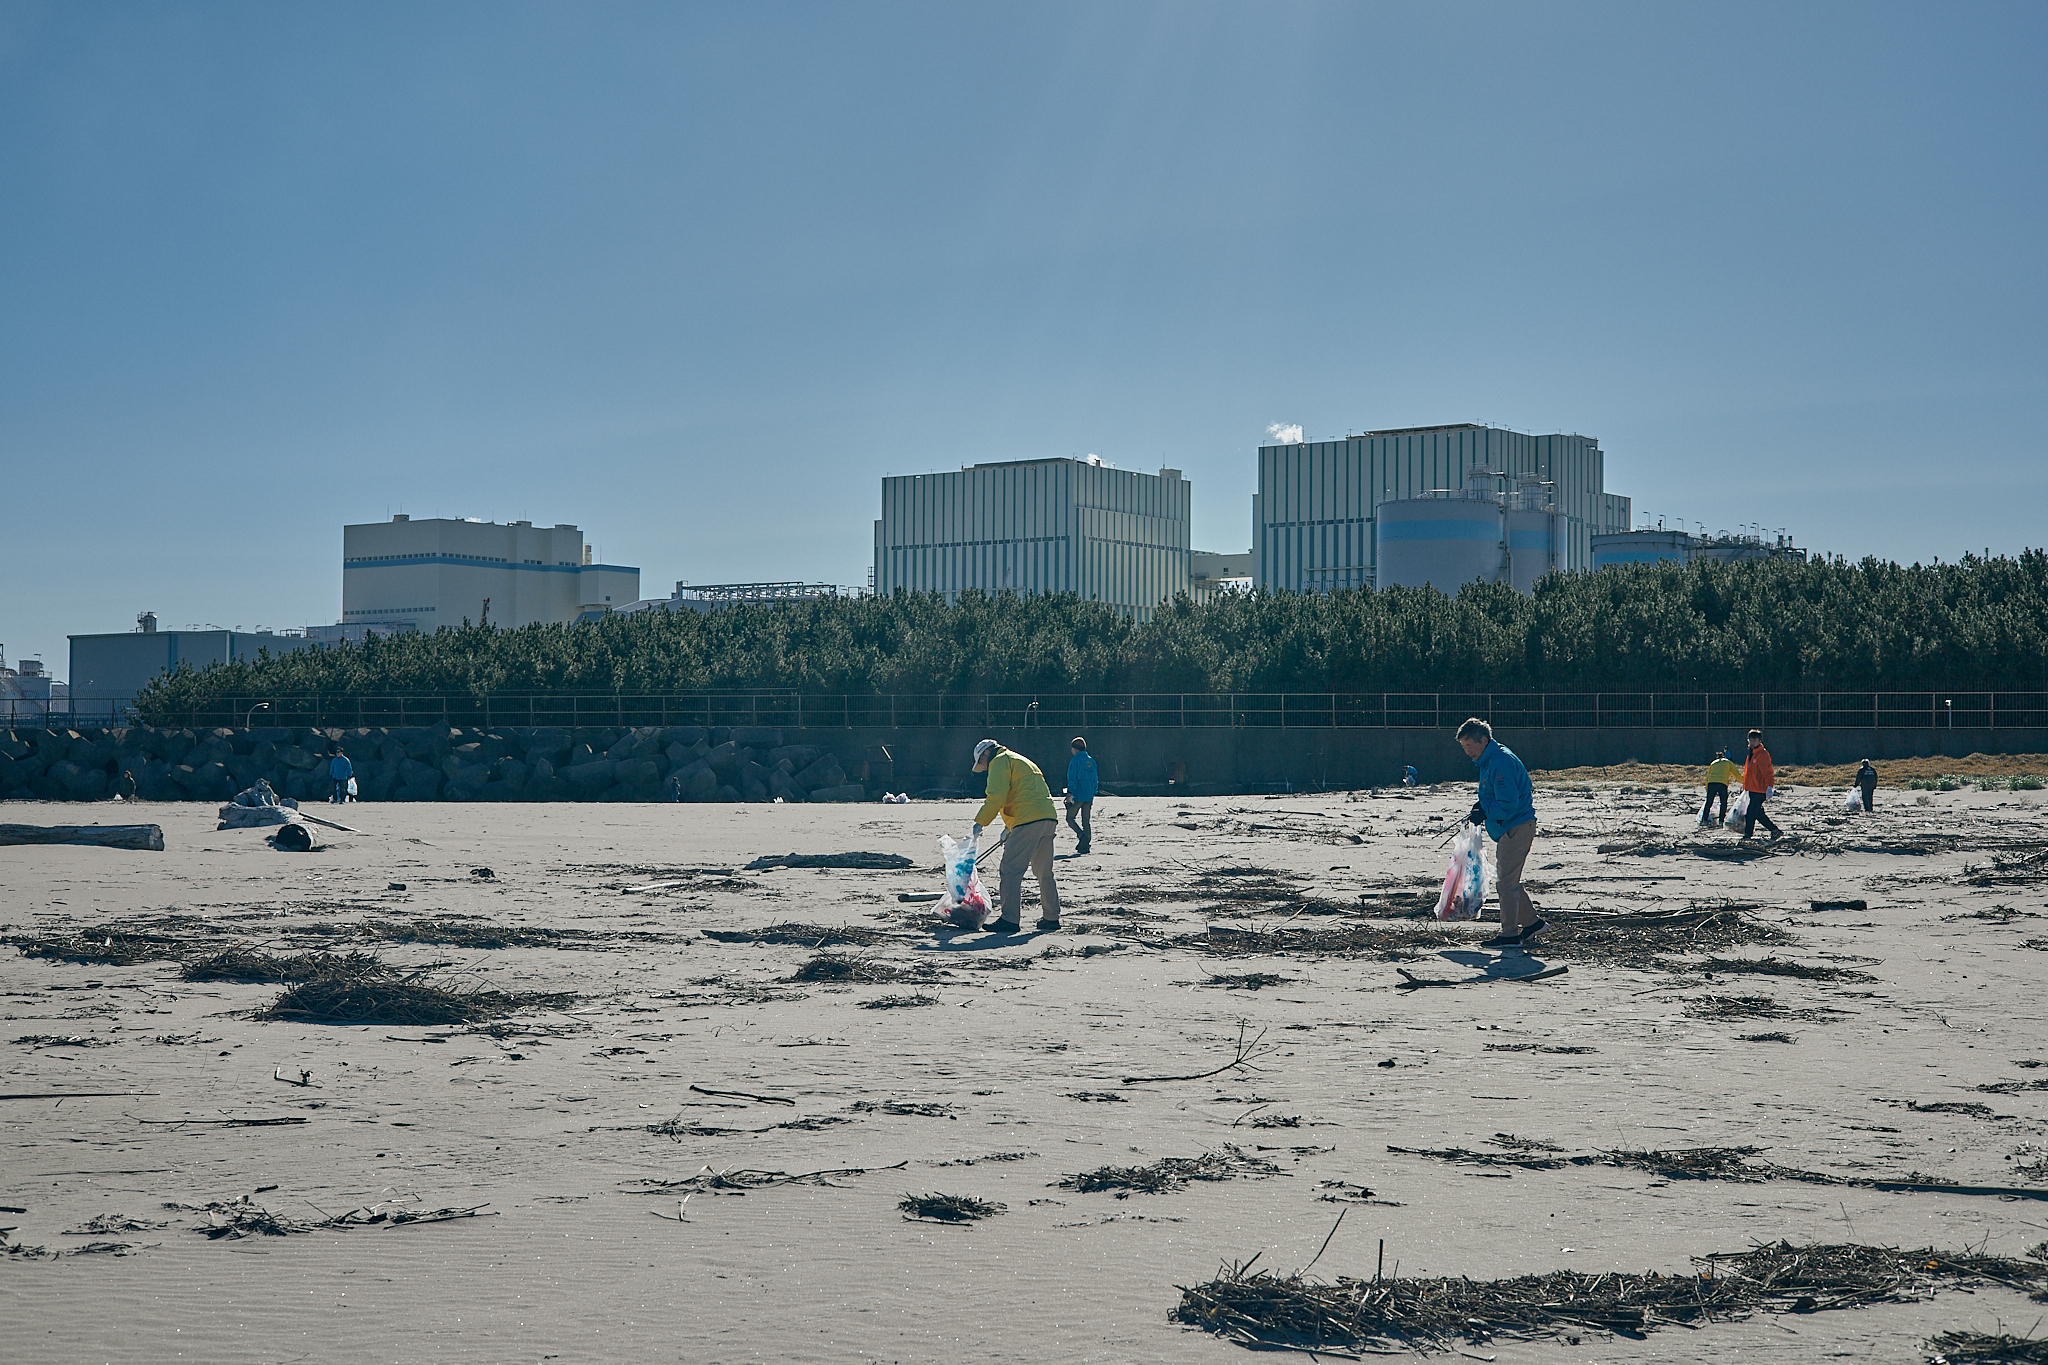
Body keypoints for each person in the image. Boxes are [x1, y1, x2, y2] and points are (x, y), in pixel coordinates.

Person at [1456, 718, 1542, 948]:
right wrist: (1480, 806)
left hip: (1516, 827)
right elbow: (1492, 794)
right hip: (1508, 827)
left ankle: (1510, 935)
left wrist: (1485, 811)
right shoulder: (1489, 760)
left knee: (1506, 883)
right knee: (1508, 880)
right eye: (1464, 748)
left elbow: (1508, 804)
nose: (1467, 752)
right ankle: (1533, 924)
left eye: (1470, 746)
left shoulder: (1501, 761)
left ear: (1484, 741)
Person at [971, 739, 1061, 934]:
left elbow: (997, 796)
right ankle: (1051, 917)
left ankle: (1010, 919)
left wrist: (981, 821)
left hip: (1027, 820)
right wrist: (1009, 826)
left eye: (982, 763)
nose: (984, 768)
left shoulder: (1000, 761)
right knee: (1044, 872)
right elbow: (1026, 793)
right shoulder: (1020, 760)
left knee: (1010, 870)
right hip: (1048, 817)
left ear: (987, 753)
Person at [1740, 729, 1781, 840]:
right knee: (1758, 813)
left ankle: (1747, 836)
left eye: (1755, 740)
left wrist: (1769, 786)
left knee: (1751, 814)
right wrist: (1745, 787)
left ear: (1759, 741)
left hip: (1760, 789)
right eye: (1751, 740)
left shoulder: (1762, 754)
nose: (1752, 742)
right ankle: (1774, 830)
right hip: (1752, 789)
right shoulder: (1751, 754)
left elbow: (1767, 772)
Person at [1064, 737, 1097, 855]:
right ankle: (1086, 844)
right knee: (1086, 820)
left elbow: (1072, 778)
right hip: (1089, 795)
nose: (1071, 750)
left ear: (1076, 749)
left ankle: (1081, 836)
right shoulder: (1091, 761)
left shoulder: (1075, 760)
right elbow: (1095, 779)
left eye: (1072, 748)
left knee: (1070, 818)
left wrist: (1069, 793)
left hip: (1078, 794)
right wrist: (1094, 791)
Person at [1700, 748, 1740, 825]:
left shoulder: (1713, 763)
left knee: (1709, 802)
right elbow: (1736, 774)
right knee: (1723, 802)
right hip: (1722, 783)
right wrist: (1744, 781)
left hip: (1711, 783)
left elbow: (1708, 776)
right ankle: (1721, 821)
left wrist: (1707, 787)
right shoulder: (1728, 762)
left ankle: (1704, 820)